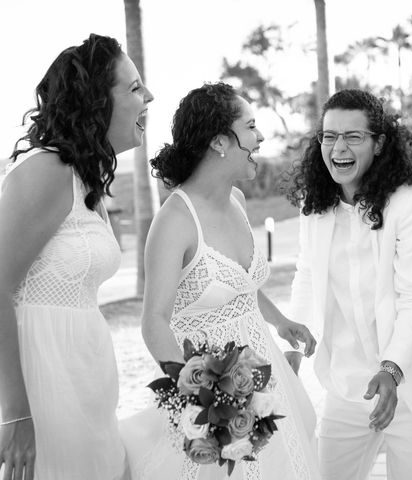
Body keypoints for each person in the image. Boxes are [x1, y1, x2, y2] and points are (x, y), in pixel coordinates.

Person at [121, 82, 321, 480]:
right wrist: (199, 402)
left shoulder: (237, 201)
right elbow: (154, 321)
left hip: (262, 370)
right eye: (250, 126)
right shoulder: (175, 221)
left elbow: (240, 284)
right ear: (218, 142)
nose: (261, 136)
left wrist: (279, 321)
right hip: (215, 392)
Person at [0, 34, 153, 480]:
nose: (149, 97)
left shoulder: (86, 180)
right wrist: (15, 413)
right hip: (41, 388)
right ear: (94, 102)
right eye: (135, 88)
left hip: (85, 380)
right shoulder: (46, 170)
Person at [285, 89, 412, 480]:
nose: (338, 147)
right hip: (346, 389)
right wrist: (291, 347)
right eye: (329, 136)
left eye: (353, 136)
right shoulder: (315, 203)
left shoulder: (411, 202)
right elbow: (307, 275)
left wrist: (391, 369)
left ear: (379, 144)